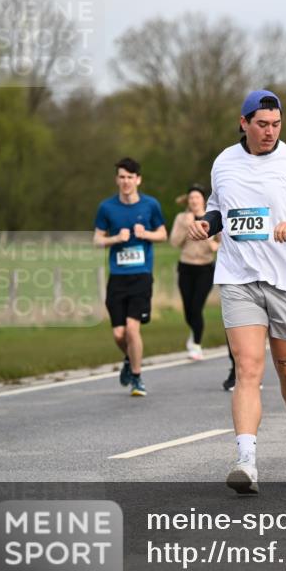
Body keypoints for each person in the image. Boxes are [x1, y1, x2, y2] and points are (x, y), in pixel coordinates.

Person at [187, 90, 286, 495]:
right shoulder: (224, 161)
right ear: (243, 123)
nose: (269, 132)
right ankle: (246, 460)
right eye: (261, 124)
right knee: (248, 367)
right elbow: (221, 209)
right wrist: (207, 224)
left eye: (275, 124)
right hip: (239, 276)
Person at [93, 157, 167, 397]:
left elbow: (163, 235)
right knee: (118, 333)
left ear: (138, 179)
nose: (126, 182)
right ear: (117, 179)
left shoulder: (150, 205)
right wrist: (115, 239)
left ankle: (137, 378)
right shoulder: (106, 207)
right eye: (122, 177)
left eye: (130, 177)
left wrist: (145, 233)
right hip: (118, 276)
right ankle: (128, 358)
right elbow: (97, 240)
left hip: (141, 275)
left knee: (133, 329)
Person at [170, 184, 220, 360]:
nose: (193, 201)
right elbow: (174, 242)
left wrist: (214, 245)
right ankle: (194, 333)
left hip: (205, 267)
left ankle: (196, 344)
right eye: (191, 198)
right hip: (186, 266)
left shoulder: (213, 217)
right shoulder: (182, 218)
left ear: (203, 200)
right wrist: (187, 226)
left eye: (197, 197)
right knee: (188, 309)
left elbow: (221, 242)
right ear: (188, 201)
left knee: (197, 307)